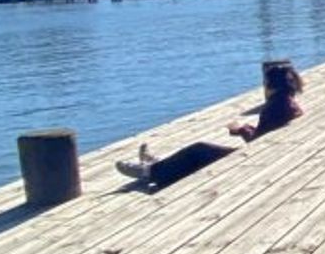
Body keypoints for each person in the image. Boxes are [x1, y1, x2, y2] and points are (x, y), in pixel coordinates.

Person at [116, 62, 303, 189]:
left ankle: (149, 172)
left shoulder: (274, 107)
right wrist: (245, 128)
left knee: (199, 150)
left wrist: (240, 129)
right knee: (200, 152)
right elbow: (265, 136)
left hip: (255, 162)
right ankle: (157, 164)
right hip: (269, 155)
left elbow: (256, 142)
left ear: (270, 84)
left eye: (264, 82)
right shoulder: (288, 103)